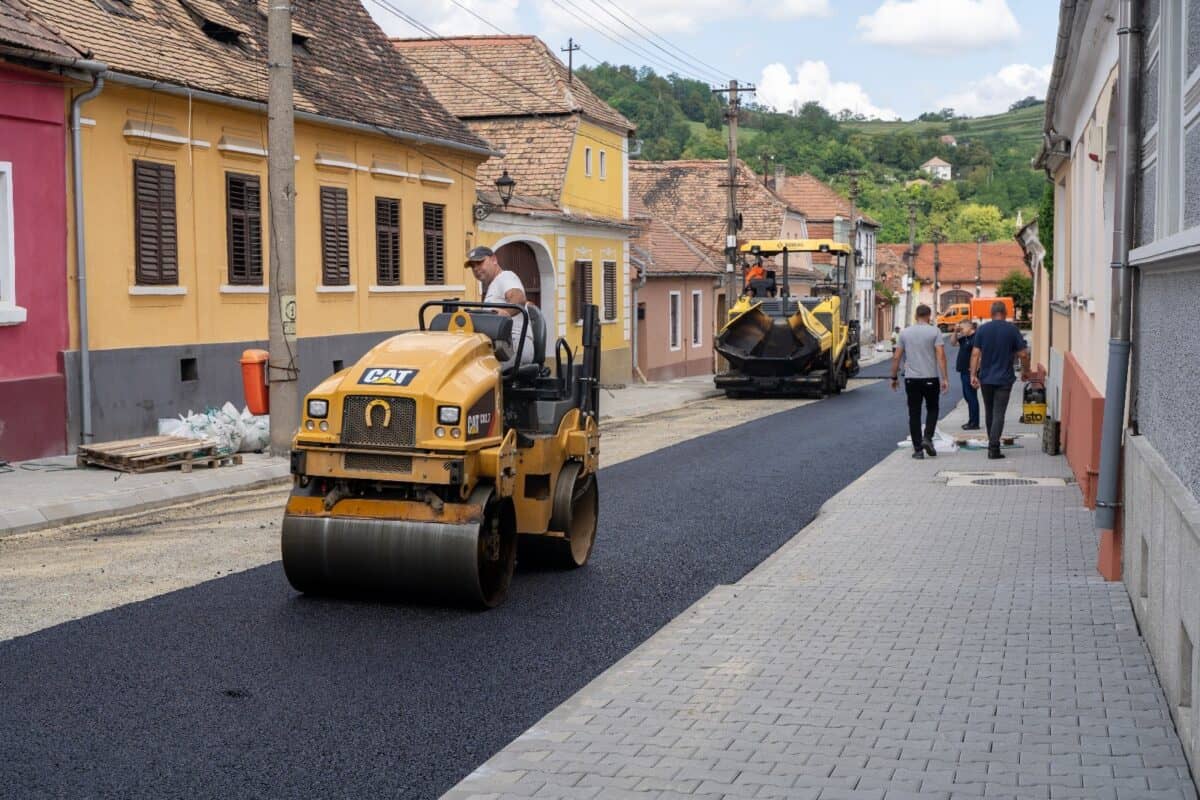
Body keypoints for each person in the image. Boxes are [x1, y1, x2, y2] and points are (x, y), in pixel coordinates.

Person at [970, 300, 1031, 459]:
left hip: (986, 378)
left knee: (989, 412)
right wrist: (1026, 371)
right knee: (999, 413)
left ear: (991, 314)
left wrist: (973, 375)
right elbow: (1023, 354)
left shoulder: (982, 330)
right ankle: (994, 447)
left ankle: (992, 442)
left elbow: (975, 354)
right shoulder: (1012, 330)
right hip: (1004, 379)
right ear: (1005, 313)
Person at [890, 305, 949, 459]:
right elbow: (941, 356)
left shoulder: (905, 333)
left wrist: (894, 377)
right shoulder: (935, 331)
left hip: (911, 379)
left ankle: (917, 450)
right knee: (933, 408)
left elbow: (896, 357)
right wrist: (944, 378)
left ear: (916, 315)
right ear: (929, 315)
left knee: (914, 413)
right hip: (930, 377)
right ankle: (927, 437)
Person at [465, 246, 535, 366]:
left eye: (479, 262)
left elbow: (519, 298)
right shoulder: (493, 287)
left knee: (478, 371)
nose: (476, 268)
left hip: (514, 345)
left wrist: (504, 314)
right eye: (472, 266)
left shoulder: (506, 277)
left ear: (494, 259)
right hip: (499, 345)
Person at [949, 320, 980, 430]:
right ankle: (972, 420)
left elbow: (978, 355)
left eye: (962, 329)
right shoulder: (965, 338)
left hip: (970, 371)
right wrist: (955, 332)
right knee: (967, 397)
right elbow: (952, 343)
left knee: (971, 397)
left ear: (969, 327)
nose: (961, 331)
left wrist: (974, 372)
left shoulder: (976, 337)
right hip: (963, 371)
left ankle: (974, 423)